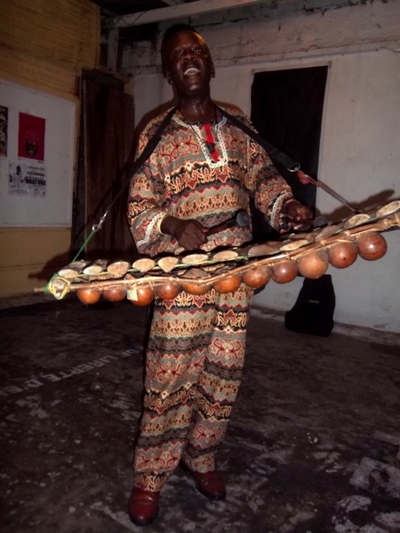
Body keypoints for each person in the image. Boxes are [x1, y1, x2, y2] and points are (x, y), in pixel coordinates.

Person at [127, 25, 313, 526]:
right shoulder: (156, 133)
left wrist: (288, 205)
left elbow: (264, 179)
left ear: (208, 66)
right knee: (170, 377)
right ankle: (150, 477)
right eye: (177, 55)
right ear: (168, 72)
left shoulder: (236, 124)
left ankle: (202, 458)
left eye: (196, 52)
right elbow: (139, 206)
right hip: (184, 279)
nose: (188, 60)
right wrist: (171, 223)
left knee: (223, 375)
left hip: (236, 276)